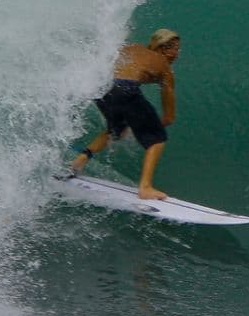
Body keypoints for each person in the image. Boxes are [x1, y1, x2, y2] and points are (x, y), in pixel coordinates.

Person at [70, 28, 181, 200]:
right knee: (157, 139)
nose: (177, 54)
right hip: (125, 88)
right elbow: (169, 102)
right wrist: (165, 120)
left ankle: (80, 160)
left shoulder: (133, 48)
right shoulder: (164, 65)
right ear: (165, 49)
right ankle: (145, 187)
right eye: (176, 49)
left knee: (116, 130)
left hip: (101, 86)